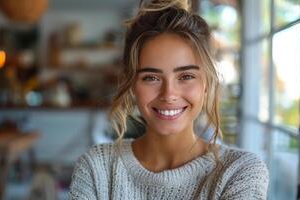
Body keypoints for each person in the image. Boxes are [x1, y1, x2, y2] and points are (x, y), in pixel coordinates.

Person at [69, 0, 269, 199]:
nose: (169, 94)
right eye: (151, 78)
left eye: (186, 77)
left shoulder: (239, 172)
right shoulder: (97, 168)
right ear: (132, 85)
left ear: (206, 84)